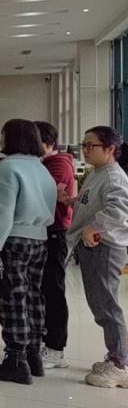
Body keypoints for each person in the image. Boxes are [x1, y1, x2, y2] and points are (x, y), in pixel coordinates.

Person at [0, 119, 56, 385]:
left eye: (2, 134)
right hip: (39, 240)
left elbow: (1, 212)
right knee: (33, 296)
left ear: (11, 138)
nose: (0, 139)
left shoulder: (8, 167)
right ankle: (34, 355)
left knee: (10, 298)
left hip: (12, 239)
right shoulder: (41, 168)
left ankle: (15, 359)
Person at [58, 126, 128, 388]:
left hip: (105, 248)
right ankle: (116, 357)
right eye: (84, 145)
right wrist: (70, 202)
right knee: (100, 304)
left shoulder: (114, 177)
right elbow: (92, 204)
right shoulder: (98, 173)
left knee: (106, 306)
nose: (85, 150)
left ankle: (120, 365)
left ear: (110, 149)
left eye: (91, 146)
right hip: (92, 246)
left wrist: (93, 227)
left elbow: (119, 212)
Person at [34, 121, 76, 370]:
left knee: (53, 290)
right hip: (45, 232)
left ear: (48, 143)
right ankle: (45, 340)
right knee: (43, 289)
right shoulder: (45, 163)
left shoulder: (59, 164)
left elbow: (42, 195)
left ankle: (56, 348)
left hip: (54, 233)